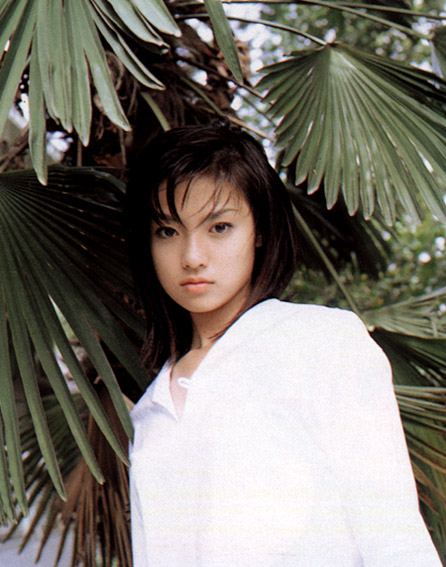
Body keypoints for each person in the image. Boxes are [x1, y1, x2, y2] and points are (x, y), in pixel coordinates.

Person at [125, 123, 442, 566]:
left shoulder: (320, 343)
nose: (192, 256)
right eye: (167, 231)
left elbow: (394, 536)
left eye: (219, 227)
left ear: (259, 230)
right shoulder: (152, 410)